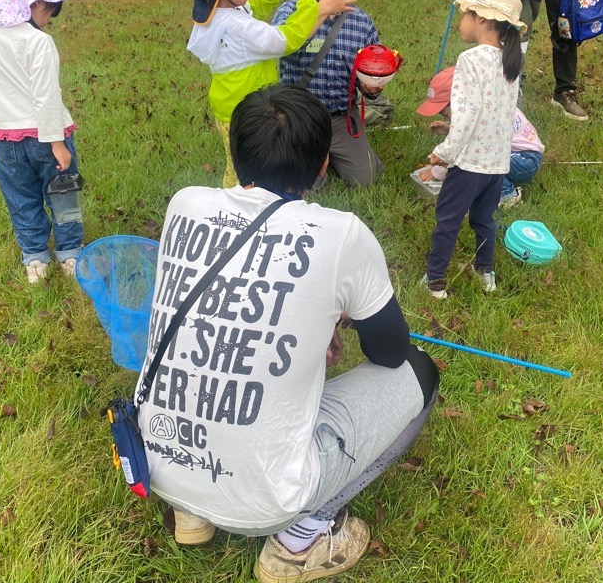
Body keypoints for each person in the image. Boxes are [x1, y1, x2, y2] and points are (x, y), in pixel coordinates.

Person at [136, 85, 438, 583]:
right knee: (419, 372)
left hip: (158, 461)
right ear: (323, 165)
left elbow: (223, 308)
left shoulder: (184, 204)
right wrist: (339, 314)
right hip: (270, 500)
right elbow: (390, 351)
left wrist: (315, 324)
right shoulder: (341, 234)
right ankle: (302, 538)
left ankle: (193, 512)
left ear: (235, 150)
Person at [185, 0, 354, 188]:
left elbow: (247, 7)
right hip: (243, 108)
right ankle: (237, 199)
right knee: (243, 167)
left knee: (242, 158)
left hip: (228, 100)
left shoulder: (219, 10)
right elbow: (286, 40)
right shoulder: (239, 29)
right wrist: (311, 3)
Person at [0, 0, 82, 284]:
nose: (48, 20)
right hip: (45, 138)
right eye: (49, 10)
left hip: (3, 137)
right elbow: (45, 96)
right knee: (62, 196)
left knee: (21, 199)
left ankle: (35, 257)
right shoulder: (38, 43)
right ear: (34, 2)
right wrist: (57, 144)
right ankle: (70, 252)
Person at [422, 0, 525, 300]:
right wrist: (450, 130)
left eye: (465, 13)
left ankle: (435, 281)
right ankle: (486, 272)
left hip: (468, 165)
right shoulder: (511, 60)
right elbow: (493, 113)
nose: (461, 20)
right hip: (496, 165)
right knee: (484, 220)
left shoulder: (469, 59)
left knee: (447, 221)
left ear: (481, 18)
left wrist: (444, 152)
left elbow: (468, 115)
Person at [274, 0, 387, 186]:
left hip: (339, 117)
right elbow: (279, 48)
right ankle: (313, 157)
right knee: (300, 184)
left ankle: (335, 151)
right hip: (297, 117)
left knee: (365, 179)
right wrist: (320, 9)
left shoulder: (362, 23)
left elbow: (371, 76)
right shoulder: (291, 10)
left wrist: (371, 88)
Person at [417, 66, 545, 209]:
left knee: (478, 157)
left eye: (446, 114)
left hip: (526, 160)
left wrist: (436, 171)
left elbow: (463, 149)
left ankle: (507, 194)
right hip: (514, 155)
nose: (446, 117)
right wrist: (449, 130)